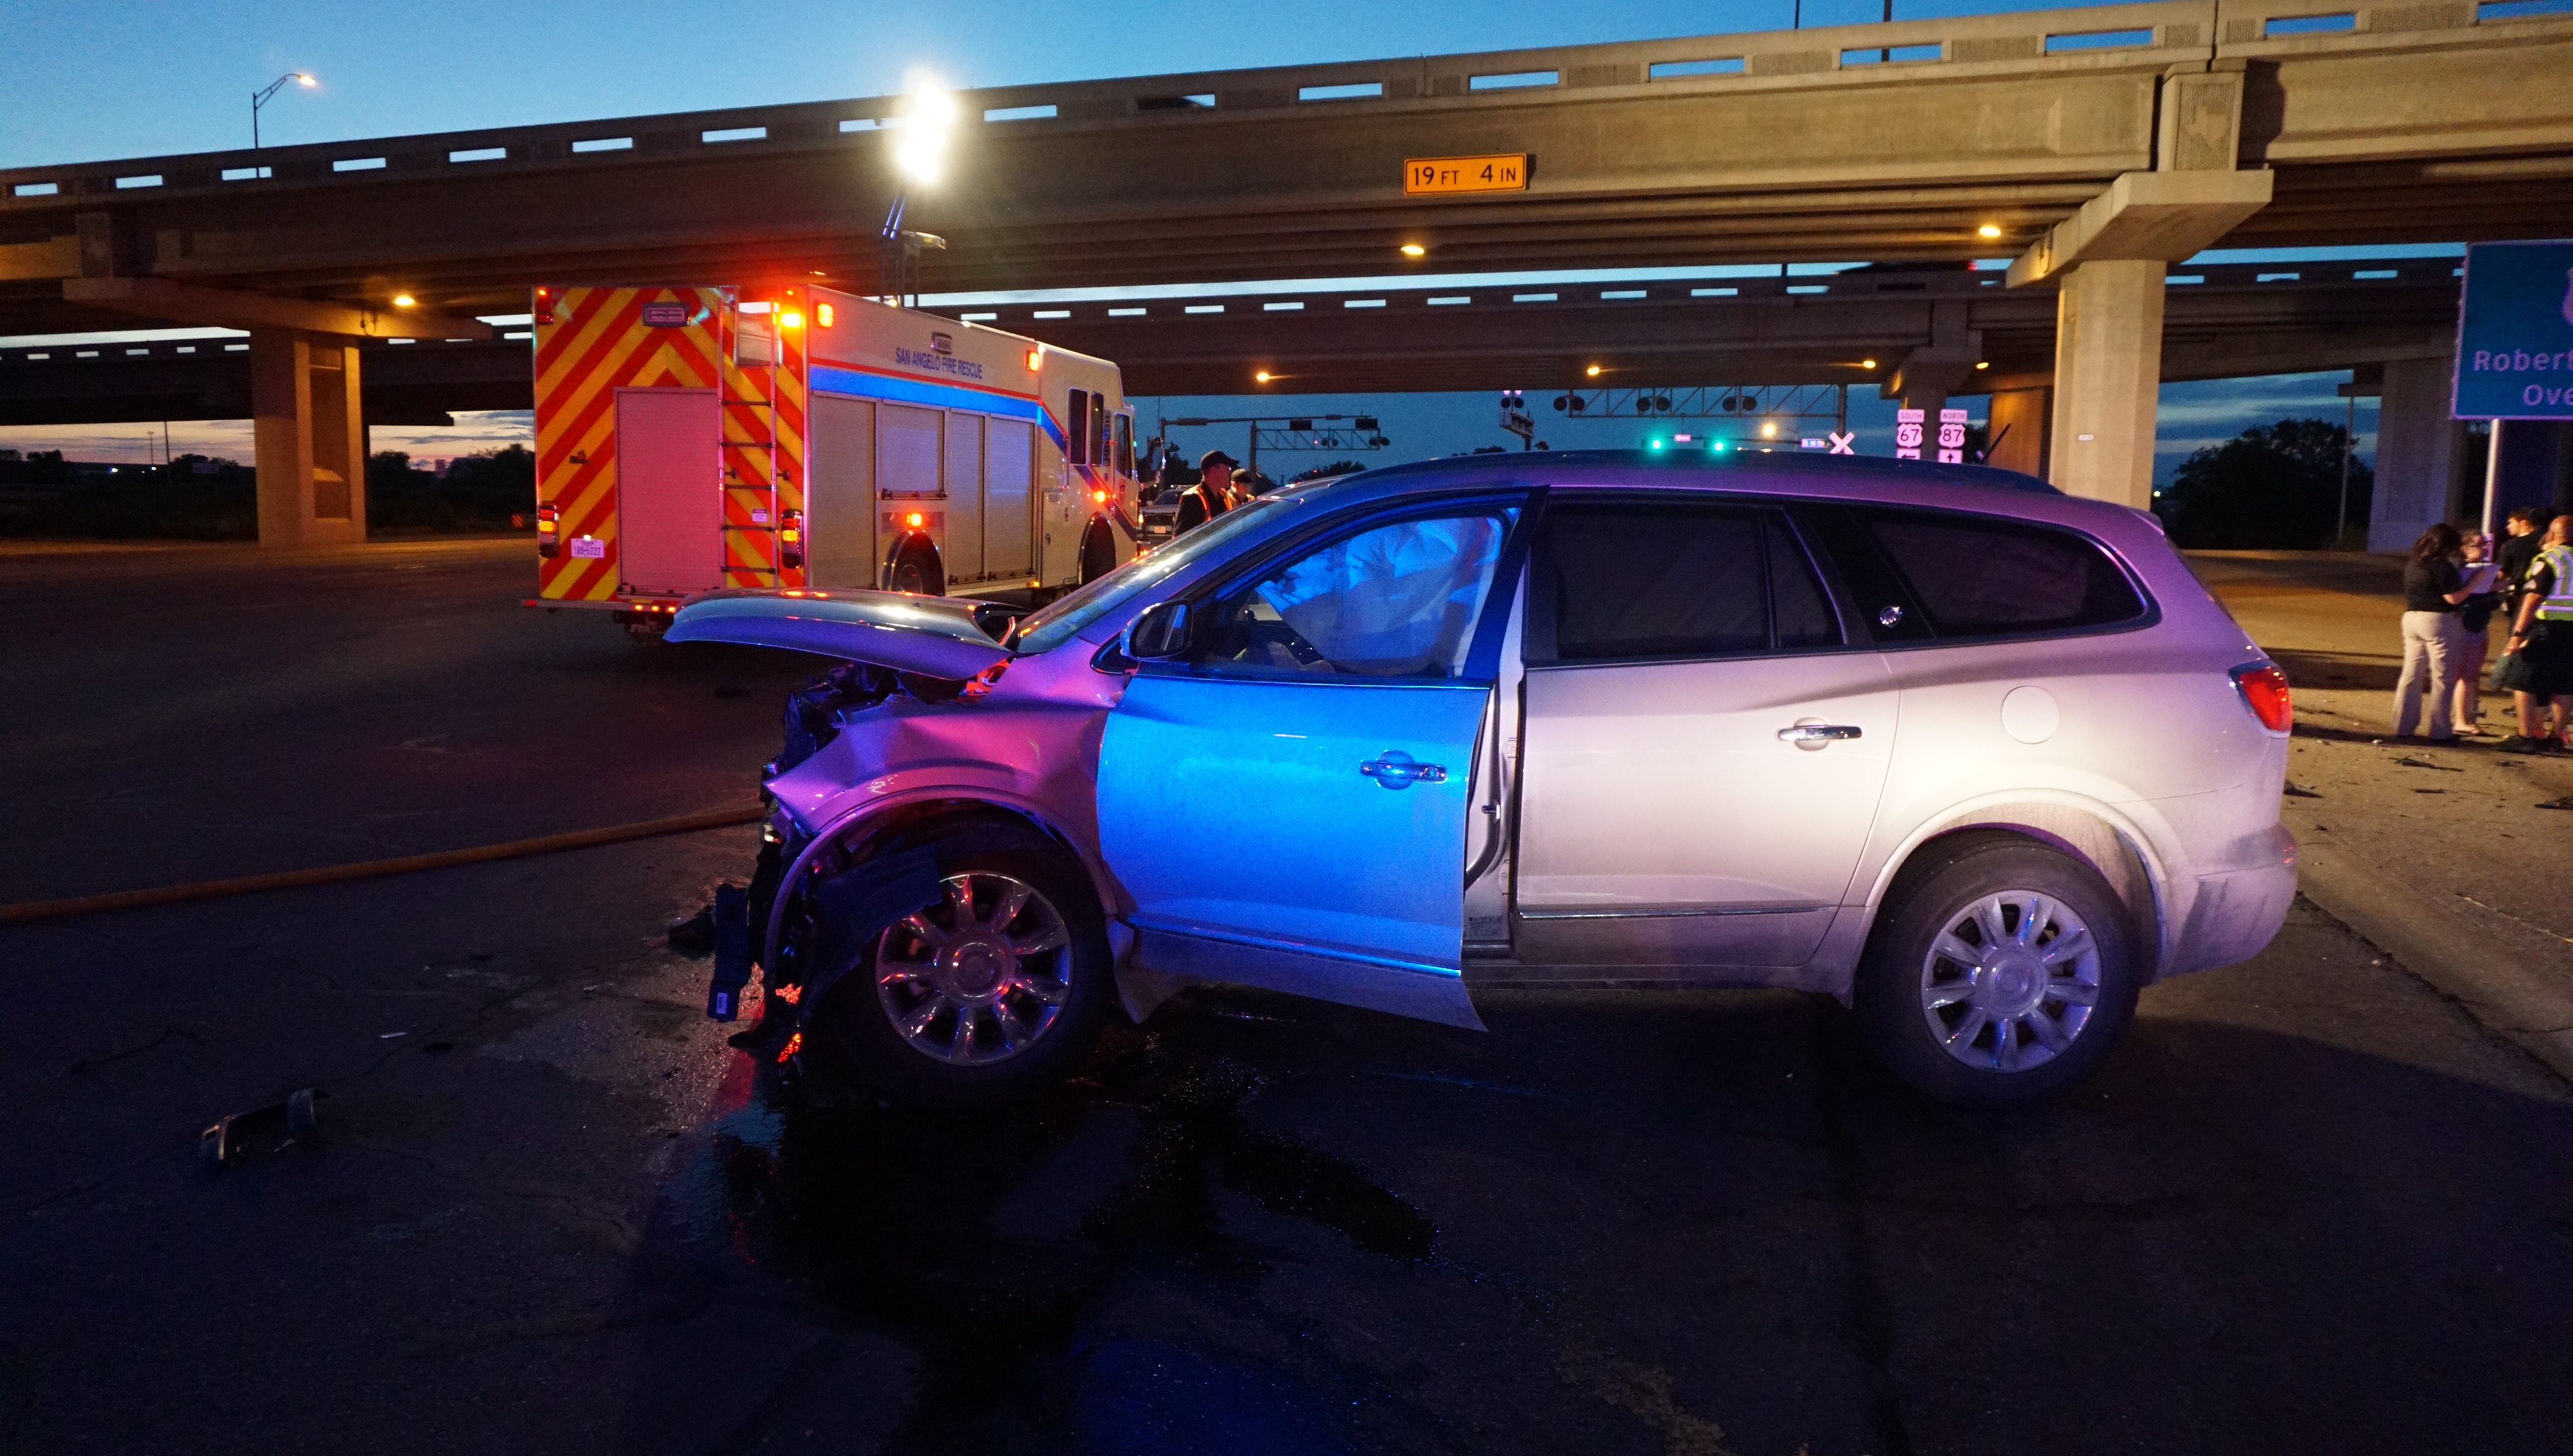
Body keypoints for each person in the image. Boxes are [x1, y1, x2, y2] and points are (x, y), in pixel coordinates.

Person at [2495, 514, 2573, 753]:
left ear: (2553, 534)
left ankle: (2526, 736)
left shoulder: (2550, 559)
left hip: (2546, 629)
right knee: (2565, 685)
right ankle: (2556, 739)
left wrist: (2517, 633)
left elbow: (2533, 598)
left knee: (2522, 680)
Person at [2392, 522, 2473, 741]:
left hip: (2412, 618)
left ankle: (2403, 725)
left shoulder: (2414, 565)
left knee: (2411, 673)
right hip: (2439, 620)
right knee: (2443, 677)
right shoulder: (2442, 566)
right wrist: (2477, 581)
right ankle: (2440, 730)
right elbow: (2453, 598)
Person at [2452, 531, 2503, 733]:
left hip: (2477, 624)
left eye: (2486, 545)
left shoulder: (2480, 570)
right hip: (2466, 625)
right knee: (2465, 674)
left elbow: (2486, 590)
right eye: (2480, 545)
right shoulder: (2460, 570)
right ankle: (2461, 720)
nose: (2485, 549)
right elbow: (2463, 597)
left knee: (2471, 675)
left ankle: (2465, 718)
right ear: (2465, 549)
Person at [1174, 450, 1239, 533]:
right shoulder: (1193, 498)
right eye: (1228, 468)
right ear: (1214, 470)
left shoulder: (1224, 496)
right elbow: (1181, 538)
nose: (1230, 473)